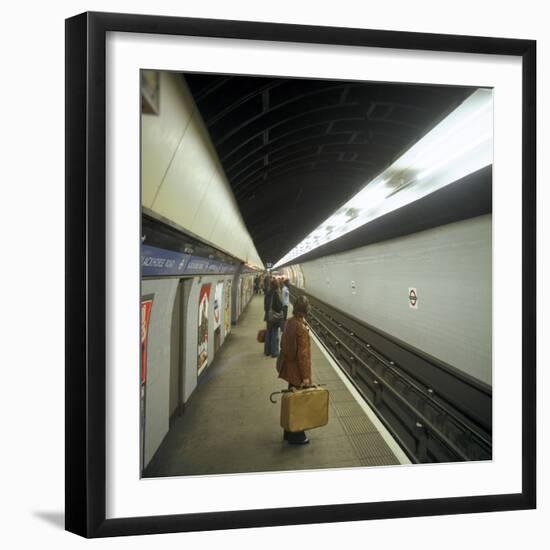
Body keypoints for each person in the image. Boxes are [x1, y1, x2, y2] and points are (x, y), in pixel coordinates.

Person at [278, 295, 312, 445]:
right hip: (297, 371)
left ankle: (288, 433)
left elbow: (282, 344)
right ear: (306, 310)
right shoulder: (301, 328)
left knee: (292, 401)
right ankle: (297, 436)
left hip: (289, 367)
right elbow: (303, 355)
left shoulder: (289, 323)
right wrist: (305, 377)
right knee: (298, 404)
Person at [264, 278, 283, 358]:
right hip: (274, 317)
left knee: (268, 333)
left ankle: (267, 351)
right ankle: (274, 352)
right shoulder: (276, 294)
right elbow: (278, 307)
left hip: (268, 316)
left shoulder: (267, 293)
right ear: (277, 286)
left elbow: (265, 305)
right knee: (274, 334)